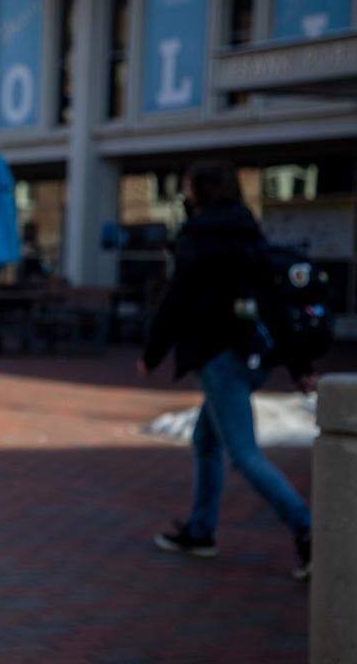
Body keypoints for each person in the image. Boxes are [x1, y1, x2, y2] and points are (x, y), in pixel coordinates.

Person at [138, 160, 314, 581]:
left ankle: (309, 531)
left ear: (201, 191)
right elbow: (274, 303)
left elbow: (176, 301)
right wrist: (298, 365)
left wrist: (152, 353)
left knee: (244, 453)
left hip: (218, 358)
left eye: (187, 188)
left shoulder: (198, 237)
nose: (184, 195)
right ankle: (201, 531)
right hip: (251, 355)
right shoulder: (249, 231)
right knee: (207, 440)